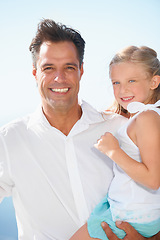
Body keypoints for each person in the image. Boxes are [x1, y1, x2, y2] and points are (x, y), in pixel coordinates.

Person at [0, 19, 159, 240]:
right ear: (35, 73)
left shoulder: (121, 128)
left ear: (81, 71)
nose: (59, 78)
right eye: (48, 68)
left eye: (69, 67)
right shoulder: (9, 140)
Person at [70, 46, 160, 240]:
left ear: (154, 82)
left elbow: (153, 180)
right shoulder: (145, 117)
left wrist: (113, 151)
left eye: (132, 81)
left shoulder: (147, 118)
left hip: (130, 216)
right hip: (132, 211)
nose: (122, 89)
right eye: (116, 82)